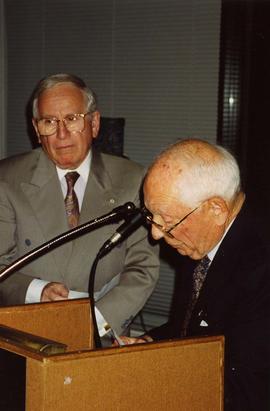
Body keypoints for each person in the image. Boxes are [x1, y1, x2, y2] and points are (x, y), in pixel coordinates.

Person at [0, 73, 159, 338]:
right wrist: (36, 291)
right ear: (36, 129)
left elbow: (142, 267)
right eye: (49, 122)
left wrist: (94, 321)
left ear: (94, 123)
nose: (61, 134)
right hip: (27, 333)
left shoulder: (133, 180)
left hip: (103, 333)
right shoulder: (7, 180)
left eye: (72, 119)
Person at [119, 139, 270, 411]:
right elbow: (189, 327)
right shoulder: (201, 239)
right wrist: (149, 343)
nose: (155, 234)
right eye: (151, 217)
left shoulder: (261, 268)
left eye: (167, 221)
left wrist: (154, 370)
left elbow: (246, 388)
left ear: (216, 210)